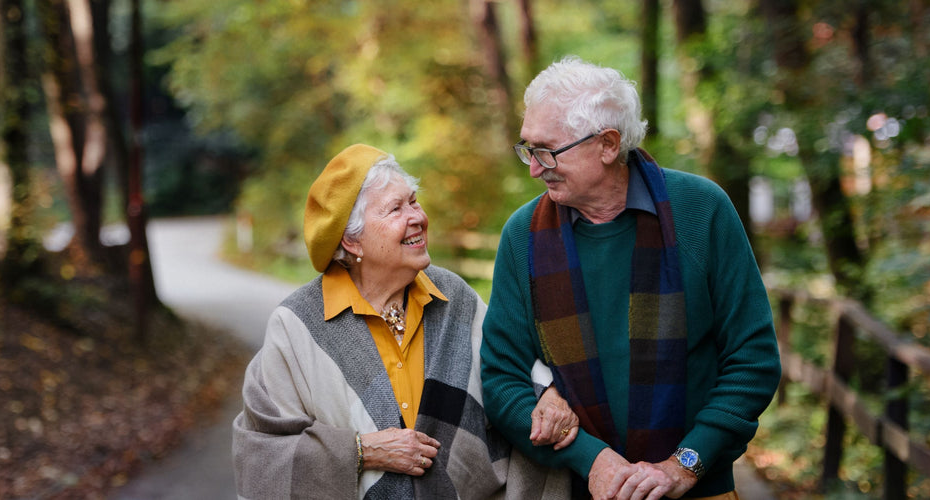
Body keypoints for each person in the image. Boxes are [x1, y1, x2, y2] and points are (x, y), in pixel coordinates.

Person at [480, 56, 782, 500]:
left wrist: (686, 464)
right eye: (527, 148)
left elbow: (752, 360)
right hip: (574, 489)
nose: (533, 167)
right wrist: (592, 459)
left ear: (607, 144)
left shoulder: (702, 211)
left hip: (700, 489)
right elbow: (501, 378)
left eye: (546, 150)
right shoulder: (522, 236)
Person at [232, 144, 570, 499]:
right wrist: (362, 452)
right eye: (395, 208)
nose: (417, 217)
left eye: (413, 201)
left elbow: (511, 368)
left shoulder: (453, 296)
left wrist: (549, 394)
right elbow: (261, 456)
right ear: (352, 240)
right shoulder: (296, 326)